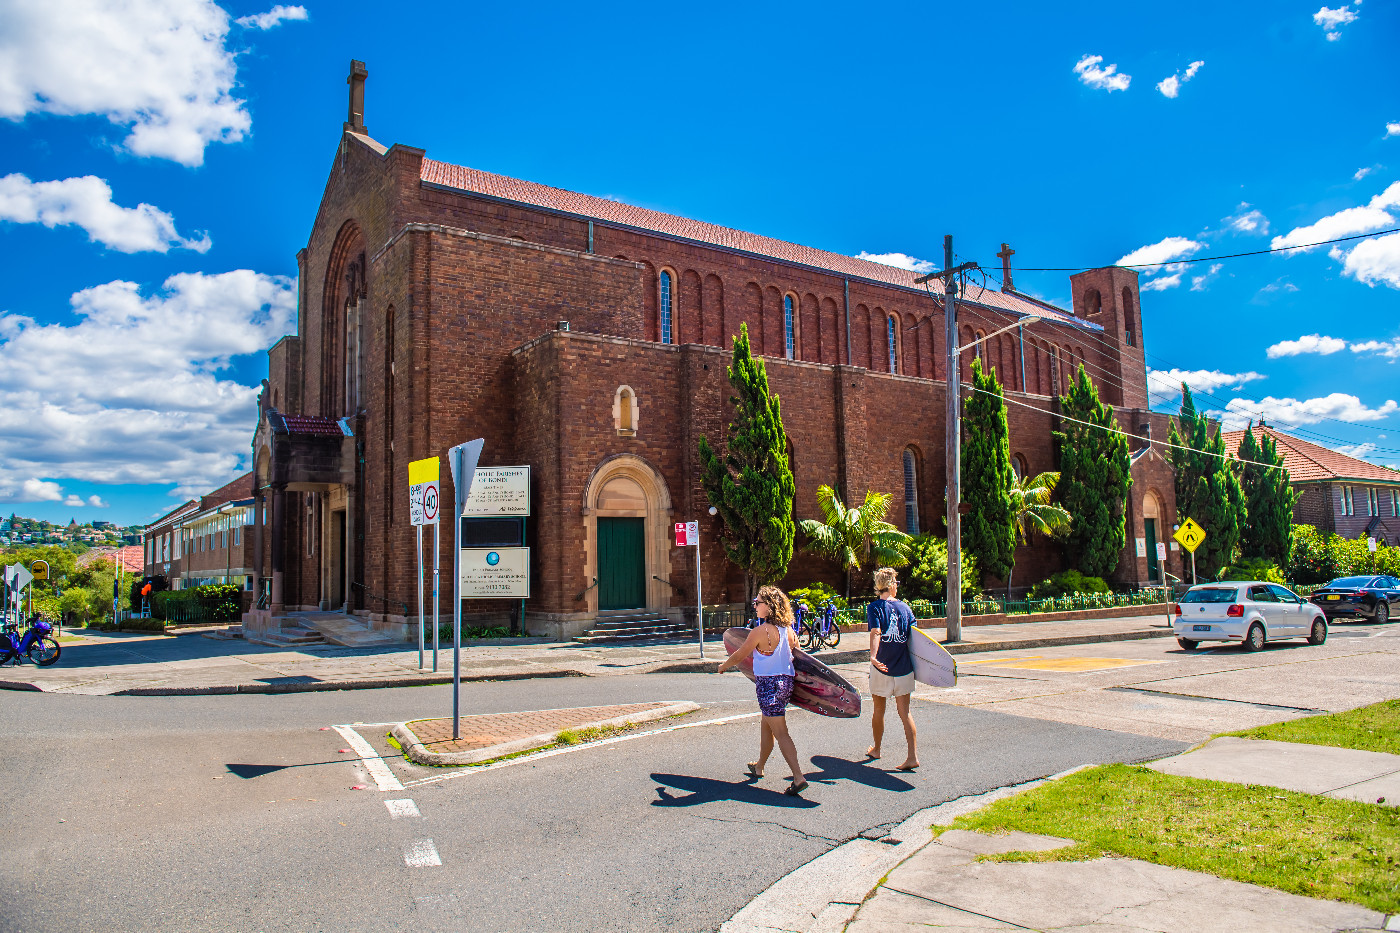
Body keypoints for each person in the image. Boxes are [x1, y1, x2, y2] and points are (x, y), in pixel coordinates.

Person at [717, 585, 809, 795]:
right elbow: (799, 658)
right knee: (766, 726)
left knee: (781, 732)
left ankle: (798, 777)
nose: (755, 606)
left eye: (758, 603)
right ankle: (759, 766)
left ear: (769, 606)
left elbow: (740, 655)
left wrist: (723, 666)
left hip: (769, 687)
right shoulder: (789, 632)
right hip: (785, 685)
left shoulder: (760, 632)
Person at [866, 567, 918, 770]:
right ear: (890, 585)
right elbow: (916, 639)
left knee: (879, 710)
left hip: (882, 667)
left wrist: (873, 655)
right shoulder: (905, 608)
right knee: (905, 713)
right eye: (896, 582)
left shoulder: (875, 607)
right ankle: (912, 756)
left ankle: (876, 749)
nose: (897, 586)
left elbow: (876, 631)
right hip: (904, 667)